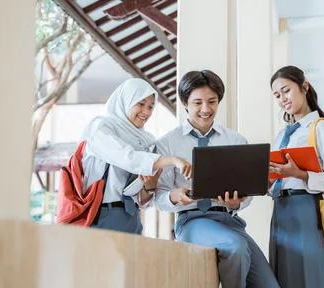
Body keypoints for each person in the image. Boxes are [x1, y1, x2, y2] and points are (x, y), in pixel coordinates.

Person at [155, 70, 279, 288]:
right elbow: (159, 196)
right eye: (198, 103)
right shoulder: (168, 143)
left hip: (230, 222)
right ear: (185, 103)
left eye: (212, 101)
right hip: (192, 221)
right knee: (236, 246)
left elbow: (247, 192)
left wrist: (237, 203)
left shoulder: (235, 139)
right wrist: (176, 196)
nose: (206, 109)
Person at [268, 65, 324, 288]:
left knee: (310, 275)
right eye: (277, 95)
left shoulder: (320, 128)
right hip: (280, 209)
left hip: (305, 207)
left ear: (304, 87)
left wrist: (300, 174)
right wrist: (269, 180)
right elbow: (278, 175)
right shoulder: (282, 135)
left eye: (286, 90)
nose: (282, 98)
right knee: (283, 276)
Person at [80, 78, 191, 234]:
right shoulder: (100, 127)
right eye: (140, 104)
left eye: (151, 107)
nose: (146, 112)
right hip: (98, 214)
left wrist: (149, 186)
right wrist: (172, 160)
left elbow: (142, 200)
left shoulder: (147, 141)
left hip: (130, 218)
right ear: (126, 100)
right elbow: (126, 156)